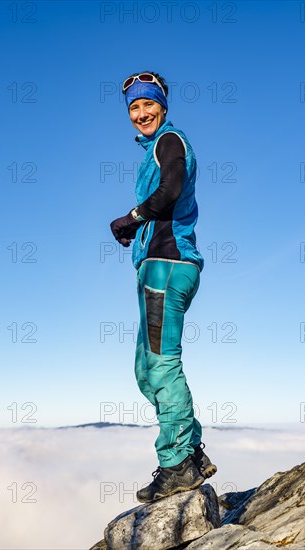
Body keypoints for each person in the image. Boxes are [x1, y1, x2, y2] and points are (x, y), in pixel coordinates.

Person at [110, 71, 217, 503]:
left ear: (163, 107)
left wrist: (130, 218)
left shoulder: (169, 142)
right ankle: (191, 453)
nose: (141, 113)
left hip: (168, 266)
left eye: (148, 104)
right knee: (145, 368)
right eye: (134, 107)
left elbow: (170, 190)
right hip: (160, 267)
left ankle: (176, 464)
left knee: (161, 363)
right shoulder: (155, 147)